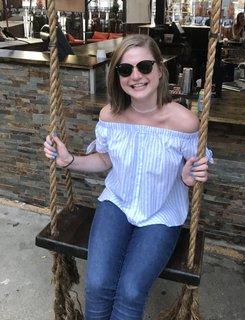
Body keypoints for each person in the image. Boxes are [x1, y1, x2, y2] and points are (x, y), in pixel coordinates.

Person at [43, 34, 213, 320]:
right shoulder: (110, 115)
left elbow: (195, 168)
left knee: (131, 291)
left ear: (160, 69)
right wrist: (69, 161)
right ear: (118, 75)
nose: (136, 76)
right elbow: (106, 159)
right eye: (126, 69)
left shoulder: (184, 121)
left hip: (161, 212)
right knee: (97, 285)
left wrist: (188, 177)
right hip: (117, 203)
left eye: (144, 66)